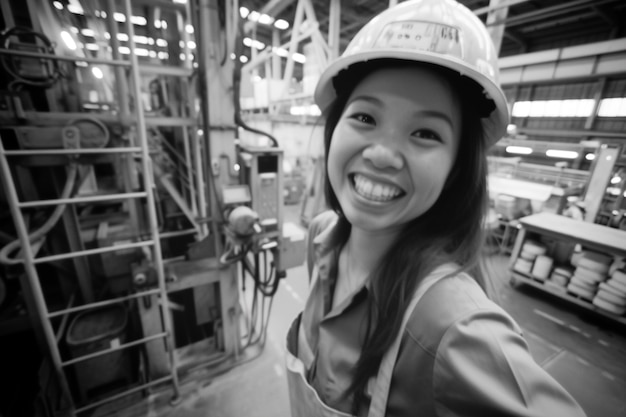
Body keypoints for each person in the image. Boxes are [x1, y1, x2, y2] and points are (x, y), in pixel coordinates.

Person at [285, 0, 587, 416]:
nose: (383, 154)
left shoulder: (457, 327)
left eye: (425, 133)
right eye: (365, 118)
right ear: (334, 128)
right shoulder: (322, 240)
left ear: (456, 168)